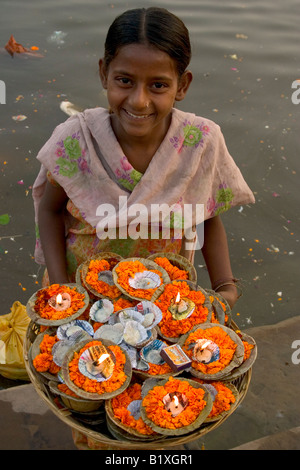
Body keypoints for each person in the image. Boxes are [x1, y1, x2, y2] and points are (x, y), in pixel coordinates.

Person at [32, 7, 254, 449]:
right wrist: (64, 295)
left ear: (183, 86)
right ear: (104, 74)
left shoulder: (201, 141)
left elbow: (208, 215)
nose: (138, 101)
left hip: (170, 302)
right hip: (85, 291)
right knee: (96, 410)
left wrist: (225, 285)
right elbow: (49, 211)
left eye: (159, 85)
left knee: (168, 405)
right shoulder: (76, 139)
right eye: (124, 81)